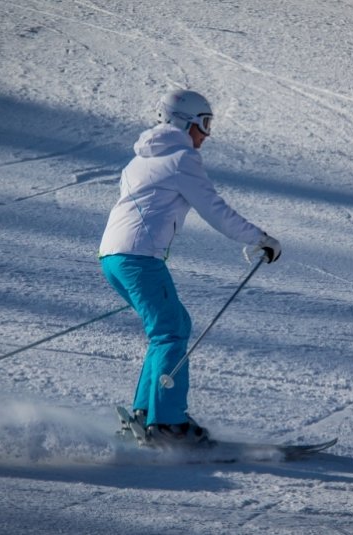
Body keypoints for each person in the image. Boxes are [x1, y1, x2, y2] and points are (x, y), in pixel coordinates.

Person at [99, 89, 281, 445]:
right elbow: (215, 209)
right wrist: (259, 238)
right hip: (139, 257)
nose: (206, 135)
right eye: (205, 125)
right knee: (170, 330)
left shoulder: (140, 160)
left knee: (171, 327)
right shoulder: (182, 158)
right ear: (186, 122)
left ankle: (146, 413)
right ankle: (168, 425)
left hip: (113, 257)